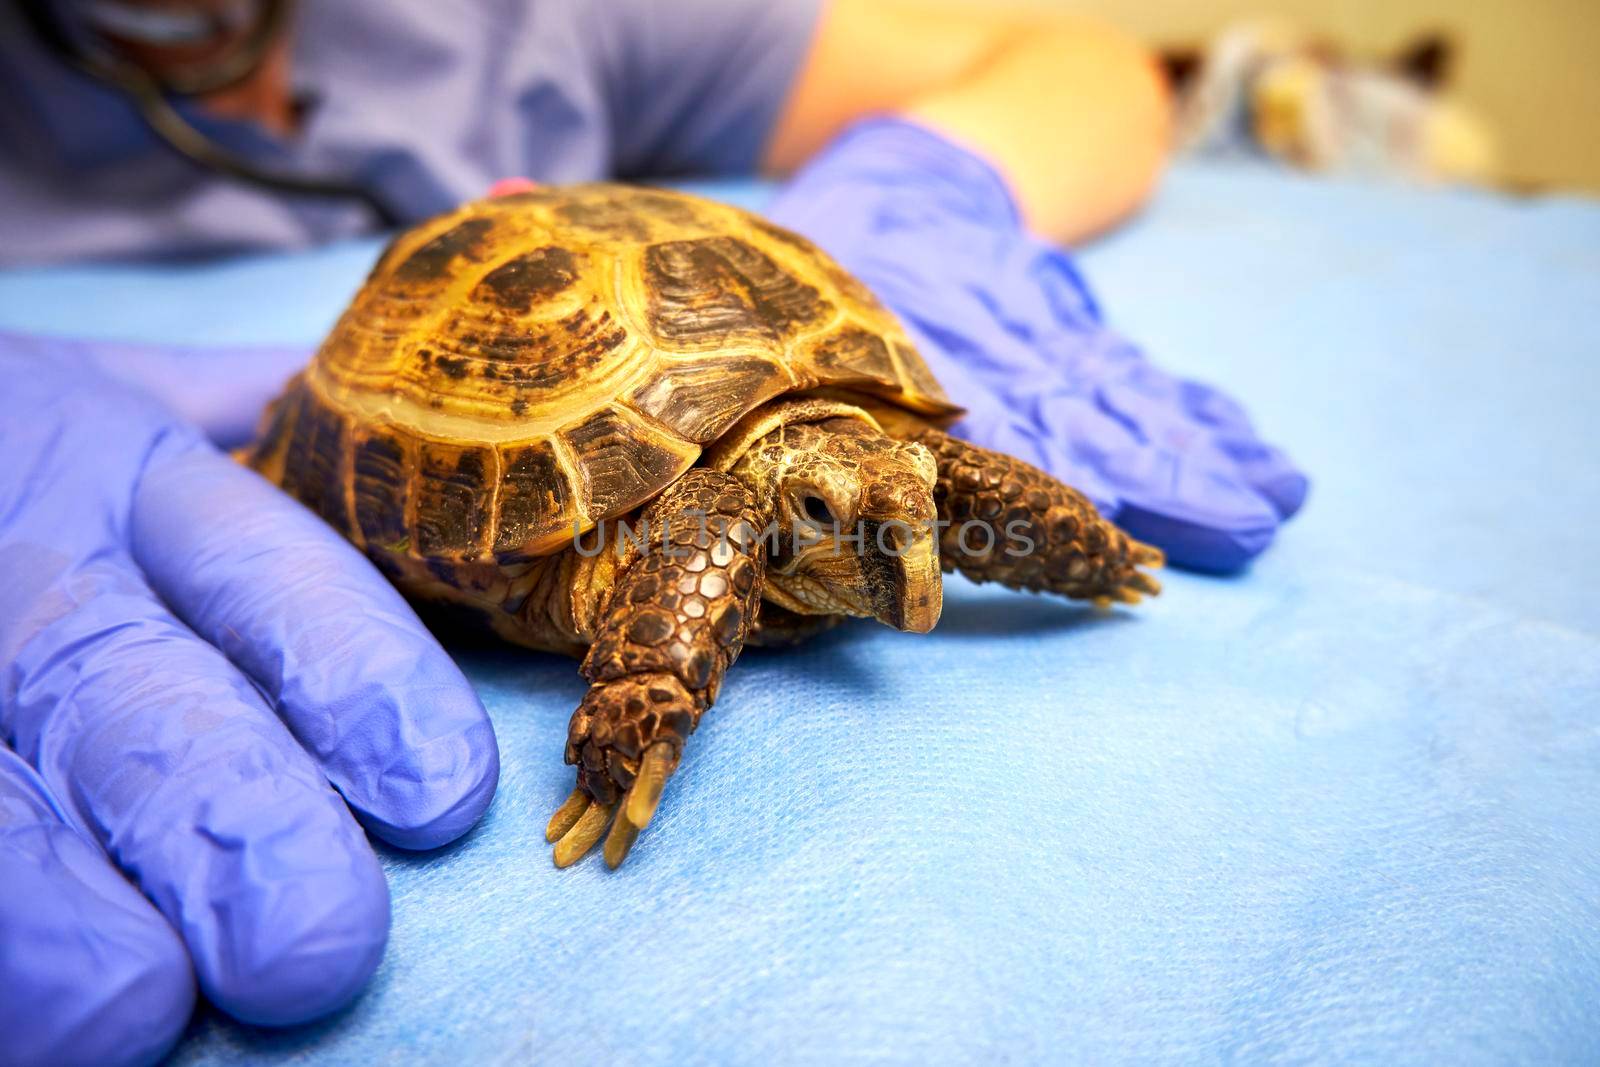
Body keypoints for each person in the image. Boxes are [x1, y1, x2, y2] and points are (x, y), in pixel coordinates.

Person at [0, 2, 1307, 1064]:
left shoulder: (540, 23)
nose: (885, 556)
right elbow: (709, 534)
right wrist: (641, 699)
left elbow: (1093, 66)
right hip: (495, 373)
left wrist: (934, 179)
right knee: (710, 531)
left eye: (878, 521)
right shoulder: (724, 521)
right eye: (835, 517)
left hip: (716, 306)